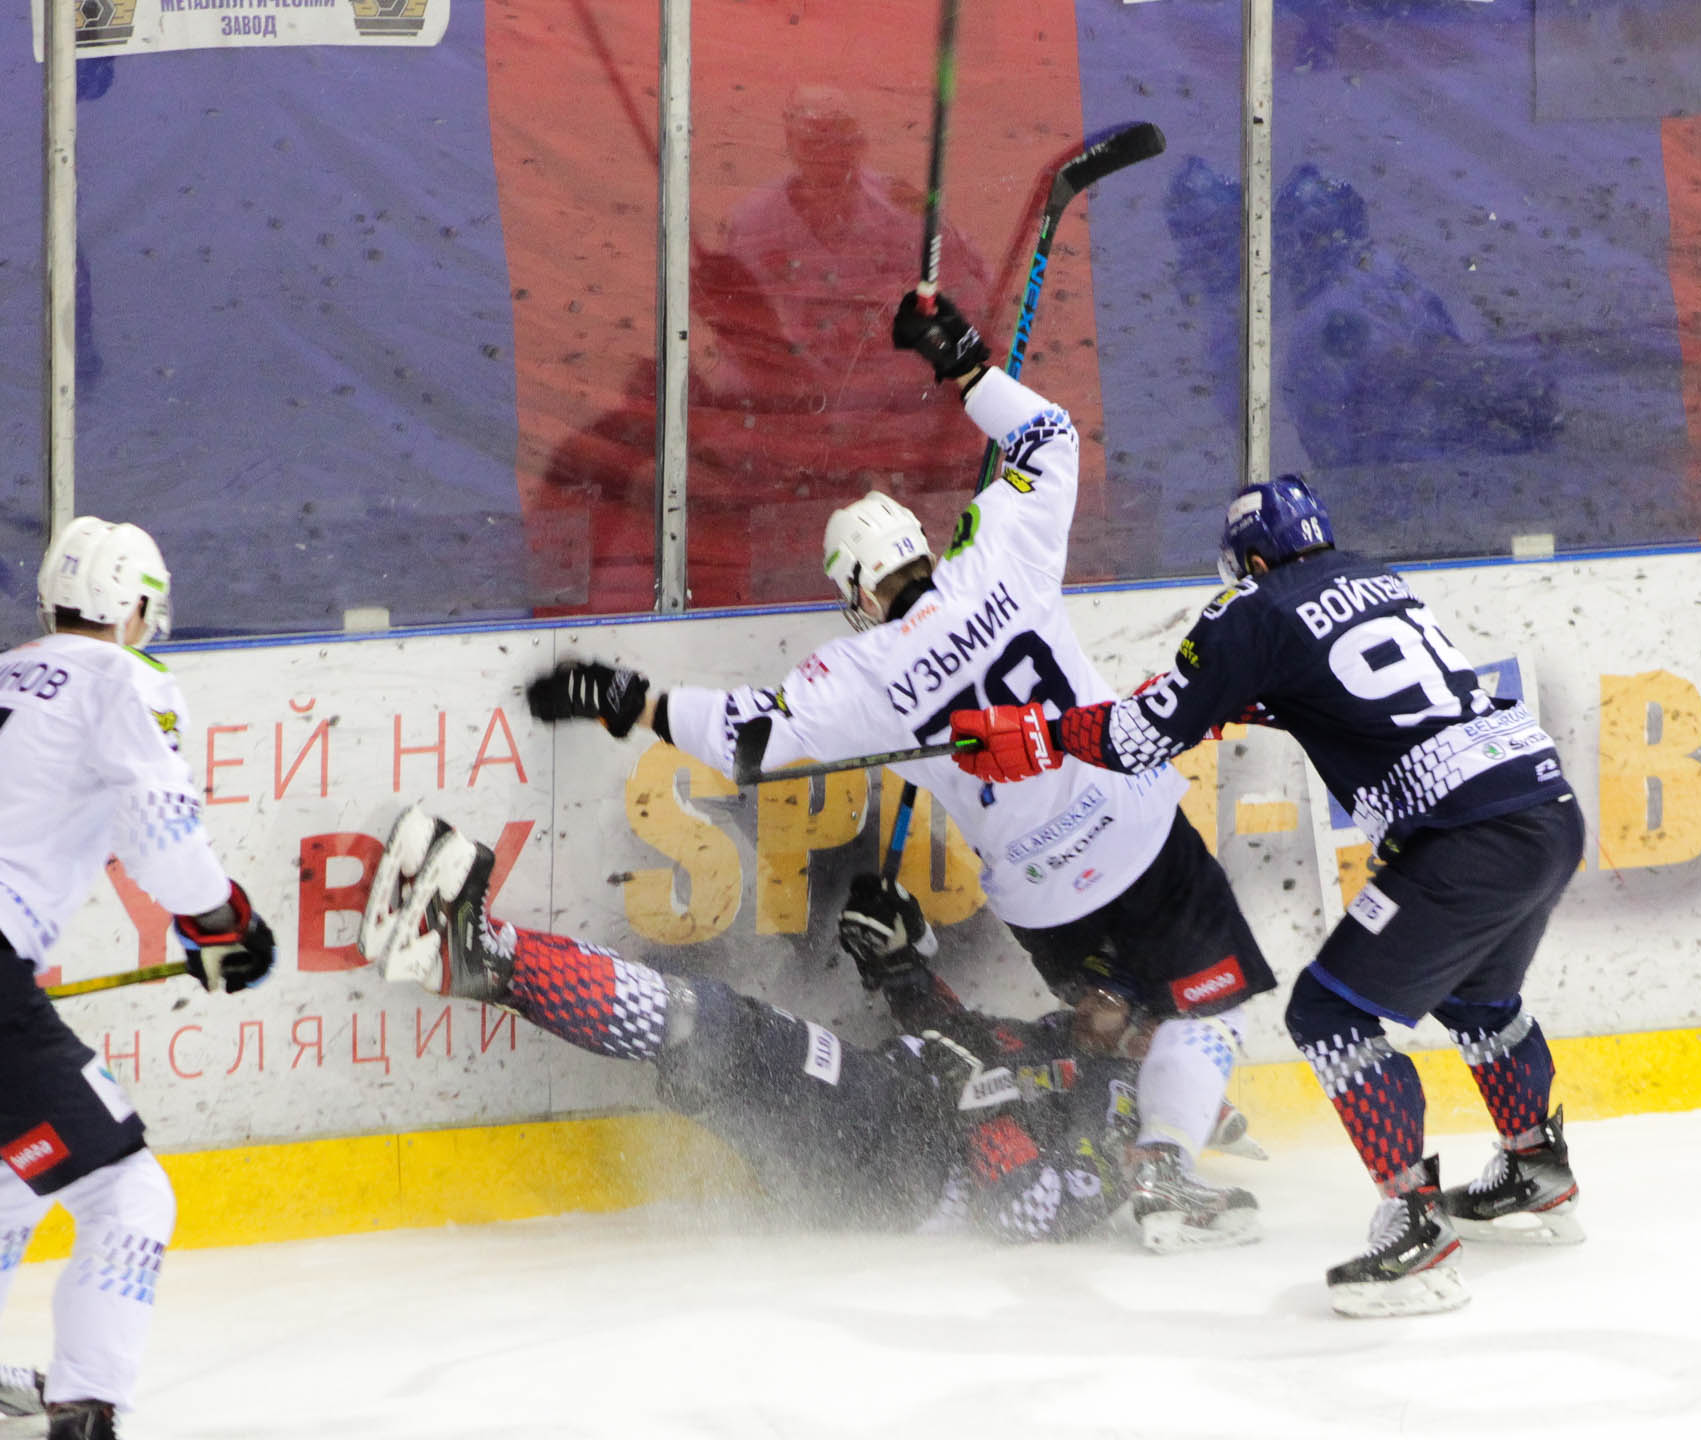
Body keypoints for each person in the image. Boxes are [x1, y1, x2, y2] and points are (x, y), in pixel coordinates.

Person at [525, 289, 1276, 1252]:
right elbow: (1050, 437)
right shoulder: (999, 556)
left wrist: (626, 700)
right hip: (1135, 839)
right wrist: (962, 362)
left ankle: (1164, 1095)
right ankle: (1167, 1156)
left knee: (1107, 1010)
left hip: (1044, 902)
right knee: (1211, 1007)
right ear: (920, 543)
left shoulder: (860, 673)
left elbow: (748, 739)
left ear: (856, 592)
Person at [944, 475, 1585, 1317]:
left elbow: (1140, 737)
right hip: (1545, 807)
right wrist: (1230, 700)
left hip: (1464, 837)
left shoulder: (1250, 608)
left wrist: (1039, 734)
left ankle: (1416, 1233)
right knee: (1480, 999)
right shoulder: (1374, 578)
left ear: (1249, 562)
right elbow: (1345, 690)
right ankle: (1535, 1167)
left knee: (1328, 1014)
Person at [359, 804, 1256, 1242]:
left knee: (715, 1030)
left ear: (1150, 1033)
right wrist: (904, 971)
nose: (1086, 1000)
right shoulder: (1070, 1047)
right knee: (705, 1048)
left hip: (896, 1164)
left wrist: (981, 1106)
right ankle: (473, 958)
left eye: (1110, 997)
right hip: (877, 1134)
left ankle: (483, 954)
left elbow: (1032, 1211)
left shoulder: (1129, 1112)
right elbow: (970, 1049)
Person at [0, 519, 277, 1439]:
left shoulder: (5, 673)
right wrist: (220, 919)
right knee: (127, 1192)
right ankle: (87, 1408)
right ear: (130, 605)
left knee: (10, 1178)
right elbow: (159, 829)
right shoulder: (123, 678)